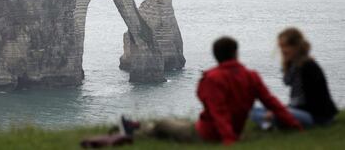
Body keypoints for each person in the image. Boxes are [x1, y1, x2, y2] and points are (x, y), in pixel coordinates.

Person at [117, 37, 302, 146]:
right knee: (177, 123)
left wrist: (228, 140)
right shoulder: (251, 76)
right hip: (231, 130)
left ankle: (133, 131)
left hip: (206, 134)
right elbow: (272, 102)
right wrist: (293, 124)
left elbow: (218, 111)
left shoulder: (212, 78)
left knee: (163, 125)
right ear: (236, 53)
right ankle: (136, 127)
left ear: (216, 56)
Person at [251, 28, 338, 128]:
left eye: (285, 46)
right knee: (252, 109)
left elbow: (311, 101)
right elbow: (295, 98)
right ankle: (271, 122)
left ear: (296, 47)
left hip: (316, 116)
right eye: (281, 47)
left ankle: (268, 124)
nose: (282, 51)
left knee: (274, 113)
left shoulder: (308, 66)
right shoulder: (294, 66)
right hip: (301, 111)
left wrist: (283, 111)